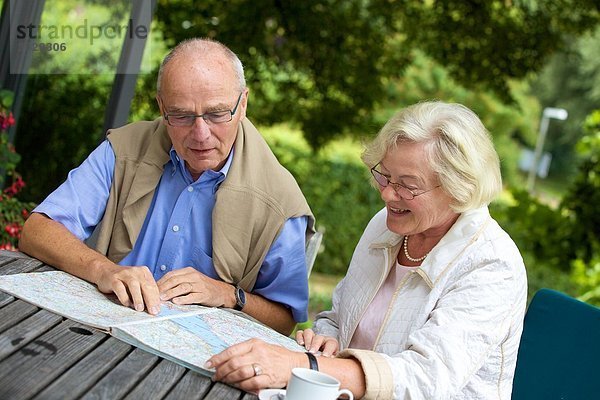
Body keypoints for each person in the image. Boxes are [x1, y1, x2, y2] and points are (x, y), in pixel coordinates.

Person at [207, 101, 527, 399]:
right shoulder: (387, 226)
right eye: (384, 176)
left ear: (460, 188)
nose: (388, 194)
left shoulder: (492, 265)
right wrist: (325, 341)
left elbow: (424, 379)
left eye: (407, 185)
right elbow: (337, 317)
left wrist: (304, 366)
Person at [18, 38, 315, 335]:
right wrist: (104, 270)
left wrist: (228, 295)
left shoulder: (280, 200)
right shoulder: (125, 148)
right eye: (182, 116)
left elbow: (284, 319)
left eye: (216, 114)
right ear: (162, 107)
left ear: (243, 103)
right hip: (98, 335)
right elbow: (37, 230)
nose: (201, 134)